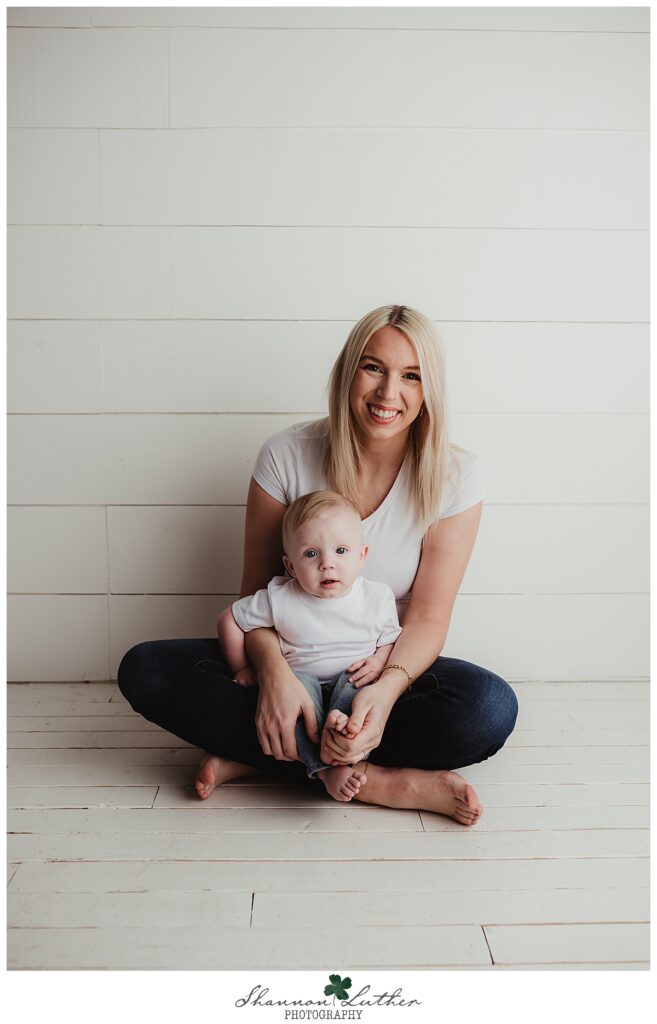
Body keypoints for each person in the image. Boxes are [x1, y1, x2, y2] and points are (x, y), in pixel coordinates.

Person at [118, 303, 518, 828]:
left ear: (429, 391)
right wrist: (274, 677)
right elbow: (255, 600)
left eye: (411, 376)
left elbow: (428, 617)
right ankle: (377, 780)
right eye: (373, 367)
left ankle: (270, 759)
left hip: (377, 668)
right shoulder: (286, 455)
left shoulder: (455, 476)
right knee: (146, 669)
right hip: (292, 659)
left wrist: (385, 690)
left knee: (488, 707)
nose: (388, 392)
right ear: (348, 371)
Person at [218, 489, 402, 802]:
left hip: (351, 677)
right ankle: (327, 768)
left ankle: (341, 738)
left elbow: (390, 638)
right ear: (290, 566)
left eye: (341, 550)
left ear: (362, 556)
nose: (327, 564)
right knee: (293, 703)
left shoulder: (377, 597)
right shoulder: (280, 597)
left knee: (361, 689)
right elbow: (229, 620)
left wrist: (378, 662)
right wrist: (245, 669)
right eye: (311, 554)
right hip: (300, 683)